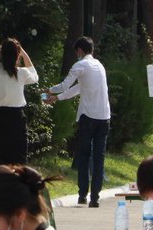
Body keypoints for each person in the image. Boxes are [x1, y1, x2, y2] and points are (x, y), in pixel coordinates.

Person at [45, 36, 110, 208]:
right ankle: (95, 198)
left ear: (79, 50)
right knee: (99, 157)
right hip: (104, 117)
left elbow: (66, 85)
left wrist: (50, 91)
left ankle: (82, 194)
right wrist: (57, 98)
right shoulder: (99, 66)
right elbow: (78, 88)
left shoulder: (80, 65)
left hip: (88, 116)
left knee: (84, 154)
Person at [0, 37, 38, 166]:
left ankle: (1, 184)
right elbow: (35, 76)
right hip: (16, 120)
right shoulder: (22, 73)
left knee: (0, 162)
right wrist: (23, 52)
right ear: (17, 55)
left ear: (0, 53)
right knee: (19, 162)